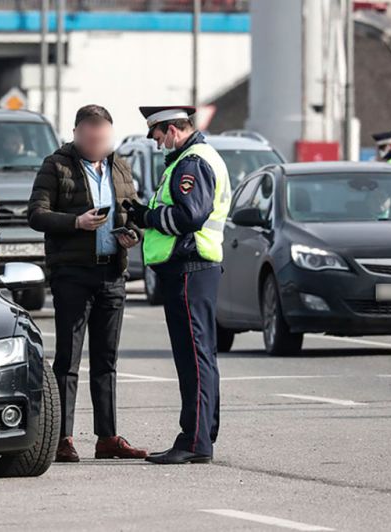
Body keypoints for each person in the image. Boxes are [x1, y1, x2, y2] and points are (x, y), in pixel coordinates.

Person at [28, 104, 146, 463]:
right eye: (93, 139)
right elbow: (36, 214)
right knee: (68, 359)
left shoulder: (119, 165)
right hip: (73, 273)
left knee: (107, 360)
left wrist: (133, 234)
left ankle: (107, 437)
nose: (99, 145)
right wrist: (76, 223)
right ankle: (62, 437)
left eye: (104, 139)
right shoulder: (56, 165)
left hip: (112, 272)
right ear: (78, 133)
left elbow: (133, 210)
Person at [126, 105, 231, 465]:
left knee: (194, 358)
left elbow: (189, 216)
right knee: (199, 356)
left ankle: (195, 440)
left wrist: (146, 216)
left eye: (157, 135)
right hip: (193, 268)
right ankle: (200, 435)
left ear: (172, 129)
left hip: (189, 267)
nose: (156, 143)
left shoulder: (192, 163)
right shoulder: (194, 158)